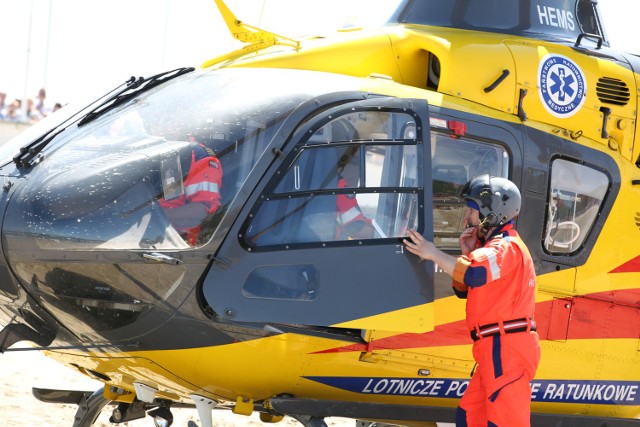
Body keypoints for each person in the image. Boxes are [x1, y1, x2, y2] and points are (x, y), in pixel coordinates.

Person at [403, 175, 539, 427]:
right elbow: (465, 289)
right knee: (469, 417)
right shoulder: (494, 248)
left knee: (506, 421)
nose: (467, 217)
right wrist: (467, 253)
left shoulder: (505, 246)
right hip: (494, 346)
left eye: (472, 211)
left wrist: (431, 253)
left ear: (492, 213)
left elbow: (474, 274)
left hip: (507, 347)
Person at [159, 138, 223, 246]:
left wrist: (157, 217)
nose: (159, 124)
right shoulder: (140, 151)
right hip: (137, 240)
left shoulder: (198, 156)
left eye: (164, 120)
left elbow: (203, 211)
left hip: (178, 247)